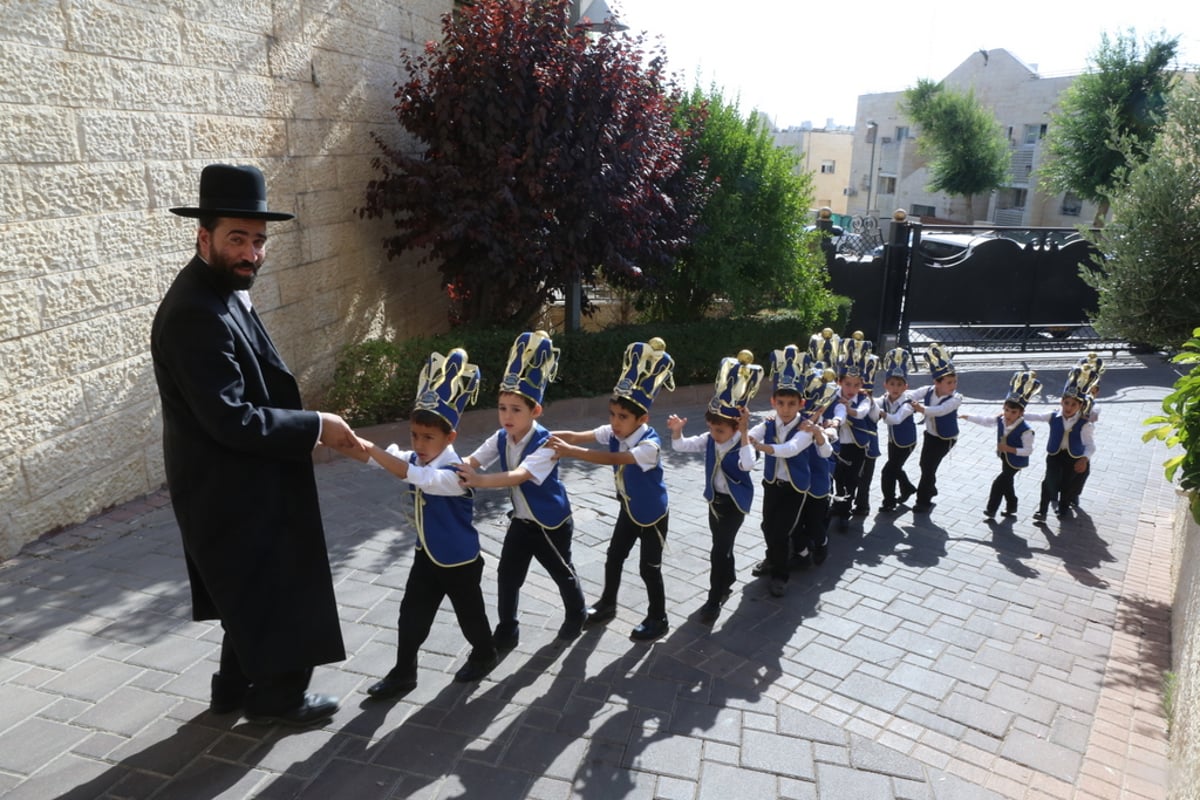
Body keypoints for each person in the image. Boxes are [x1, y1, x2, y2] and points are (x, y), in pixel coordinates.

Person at [152, 163, 356, 726]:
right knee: (278, 588)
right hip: (228, 485)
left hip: (239, 477)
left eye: (259, 240)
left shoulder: (219, 288)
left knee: (250, 590)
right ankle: (278, 699)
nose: (251, 253)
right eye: (237, 238)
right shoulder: (196, 311)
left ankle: (230, 690)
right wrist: (318, 425)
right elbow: (231, 419)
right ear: (204, 237)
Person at [341, 349, 499, 700]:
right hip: (426, 556)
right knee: (411, 616)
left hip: (460, 561)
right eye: (415, 435)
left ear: (450, 437)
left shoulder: (455, 473)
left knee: (470, 617)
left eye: (429, 437)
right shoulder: (415, 457)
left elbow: (414, 475)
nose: (420, 444)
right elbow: (376, 459)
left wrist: (369, 445)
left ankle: (486, 653)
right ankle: (404, 673)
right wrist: (336, 438)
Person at [455, 331, 587, 650]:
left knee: (562, 573)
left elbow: (518, 476)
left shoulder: (548, 444)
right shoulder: (501, 436)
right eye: (502, 408)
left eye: (516, 409)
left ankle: (577, 614)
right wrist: (446, 467)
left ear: (535, 411)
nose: (507, 416)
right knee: (507, 576)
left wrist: (477, 481)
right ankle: (508, 628)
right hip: (522, 521)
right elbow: (472, 459)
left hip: (551, 523)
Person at [546, 338, 675, 641]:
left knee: (649, 569)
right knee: (614, 556)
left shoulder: (649, 445)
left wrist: (569, 451)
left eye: (623, 417)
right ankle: (607, 604)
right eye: (612, 415)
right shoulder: (617, 431)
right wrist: (539, 434)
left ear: (642, 418)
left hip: (653, 514)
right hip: (630, 509)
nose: (615, 423)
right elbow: (579, 436)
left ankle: (659, 618)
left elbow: (612, 459)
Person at [666, 351, 762, 624]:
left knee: (718, 550)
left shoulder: (744, 443)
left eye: (720, 430)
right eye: (711, 428)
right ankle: (728, 578)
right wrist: (676, 431)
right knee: (722, 546)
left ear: (735, 427)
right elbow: (681, 446)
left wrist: (744, 434)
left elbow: (748, 466)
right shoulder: (710, 439)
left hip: (734, 505)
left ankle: (713, 598)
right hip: (714, 502)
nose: (713, 434)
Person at [746, 345, 830, 598]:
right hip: (772, 483)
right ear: (773, 402)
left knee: (781, 531)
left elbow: (790, 449)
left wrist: (763, 447)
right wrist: (745, 437)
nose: (785, 408)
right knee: (767, 525)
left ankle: (780, 575)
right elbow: (751, 434)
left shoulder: (805, 427)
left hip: (795, 488)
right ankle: (773, 558)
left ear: (800, 403)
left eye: (791, 403)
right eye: (780, 403)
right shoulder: (768, 422)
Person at [959, 370, 1040, 518]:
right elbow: (986, 420)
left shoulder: (1026, 430)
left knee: (999, 482)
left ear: (1021, 413)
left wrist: (1009, 448)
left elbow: (1028, 450)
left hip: (1016, 461)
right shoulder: (1001, 419)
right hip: (1005, 457)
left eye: (1013, 412)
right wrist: (968, 417)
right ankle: (1012, 505)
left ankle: (991, 510)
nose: (1008, 414)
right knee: (1007, 483)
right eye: (1007, 410)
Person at [1025, 363, 1100, 522]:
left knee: (1067, 484)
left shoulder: (1084, 423)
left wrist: (1084, 458)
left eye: (1073, 404)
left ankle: (1064, 507)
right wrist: (1018, 415)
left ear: (1080, 406)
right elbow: (1035, 416)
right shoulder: (1053, 416)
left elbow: (1090, 445)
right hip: (1054, 454)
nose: (1069, 407)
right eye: (1066, 403)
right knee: (1048, 481)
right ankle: (1042, 511)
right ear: (1061, 402)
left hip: (1073, 457)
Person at [830, 332, 880, 525]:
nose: (851, 388)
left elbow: (860, 414)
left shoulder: (864, 399)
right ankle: (839, 505)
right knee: (837, 478)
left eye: (856, 385)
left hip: (856, 447)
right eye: (847, 384)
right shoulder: (832, 395)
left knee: (851, 479)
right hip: (836, 445)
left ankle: (845, 512)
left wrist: (848, 407)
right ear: (839, 382)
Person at [909, 343, 962, 514]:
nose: (953, 385)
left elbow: (939, 411)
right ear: (936, 382)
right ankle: (930, 489)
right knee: (924, 464)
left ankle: (923, 501)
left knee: (929, 466)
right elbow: (911, 394)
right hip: (930, 435)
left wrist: (921, 409)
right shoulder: (929, 390)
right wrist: (895, 396)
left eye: (954, 381)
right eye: (949, 382)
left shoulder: (956, 398)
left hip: (946, 438)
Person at [876, 348, 919, 512]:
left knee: (888, 471)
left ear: (905, 386)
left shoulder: (908, 403)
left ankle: (889, 501)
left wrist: (882, 413)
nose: (895, 388)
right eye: (892, 384)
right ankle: (907, 488)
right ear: (885, 384)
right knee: (895, 467)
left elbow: (896, 419)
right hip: (893, 441)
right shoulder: (885, 398)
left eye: (899, 384)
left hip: (907, 442)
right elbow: (874, 403)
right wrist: (864, 399)